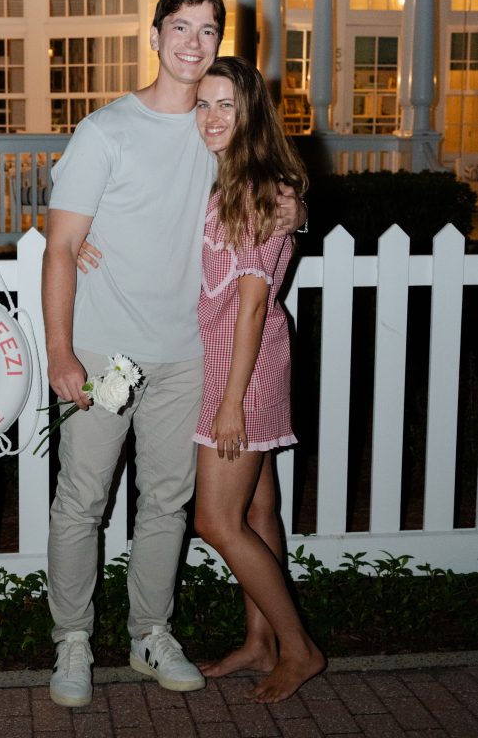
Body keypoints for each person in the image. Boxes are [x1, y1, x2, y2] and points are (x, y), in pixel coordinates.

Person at [41, 0, 305, 708]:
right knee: (81, 501)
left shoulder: (215, 127)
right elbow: (59, 242)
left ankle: (149, 632)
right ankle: (71, 640)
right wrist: (61, 351)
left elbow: (269, 181)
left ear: (218, 43)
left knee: (165, 503)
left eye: (207, 29)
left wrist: (293, 198)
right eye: (179, 27)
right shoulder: (105, 129)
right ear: (154, 35)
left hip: (190, 354)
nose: (193, 42)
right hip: (102, 350)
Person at [192, 57, 325, 703]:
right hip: (243, 354)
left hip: (237, 366)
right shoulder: (234, 183)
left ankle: (298, 648)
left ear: (250, 116)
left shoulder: (260, 189)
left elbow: (248, 303)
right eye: (203, 104)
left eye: (226, 106)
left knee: (214, 520)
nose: (211, 118)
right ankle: (259, 641)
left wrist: (228, 403)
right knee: (256, 508)